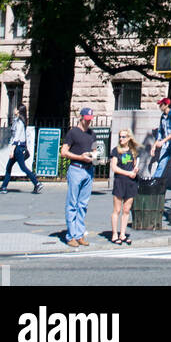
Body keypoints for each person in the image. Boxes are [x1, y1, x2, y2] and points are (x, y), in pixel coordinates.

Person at [61, 106, 98, 248]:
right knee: (73, 203)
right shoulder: (72, 133)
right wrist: (80, 157)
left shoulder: (92, 134)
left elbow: (95, 150)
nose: (88, 122)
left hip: (89, 170)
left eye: (90, 120)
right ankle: (71, 235)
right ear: (81, 118)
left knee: (83, 204)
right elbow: (64, 152)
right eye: (87, 120)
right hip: (76, 169)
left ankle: (79, 233)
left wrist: (95, 158)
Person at [0, 104, 43, 194]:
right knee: (9, 167)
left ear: (19, 111)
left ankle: (37, 183)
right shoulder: (17, 121)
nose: (14, 110)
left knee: (22, 167)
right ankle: (4, 187)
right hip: (18, 148)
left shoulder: (20, 122)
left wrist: (12, 150)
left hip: (18, 148)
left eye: (16, 109)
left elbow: (16, 137)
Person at [109, 129, 139, 244]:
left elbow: (135, 165)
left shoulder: (133, 151)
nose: (121, 139)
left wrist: (136, 170)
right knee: (117, 209)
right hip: (120, 181)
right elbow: (114, 167)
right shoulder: (116, 151)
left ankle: (122, 234)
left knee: (126, 210)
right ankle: (114, 234)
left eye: (124, 137)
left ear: (129, 138)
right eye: (120, 137)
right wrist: (128, 173)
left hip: (131, 183)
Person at [150, 96, 171, 190]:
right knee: (161, 164)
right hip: (166, 145)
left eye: (161, 105)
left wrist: (163, 141)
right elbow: (160, 132)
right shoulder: (162, 117)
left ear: (166, 105)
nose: (160, 106)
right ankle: (154, 183)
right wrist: (154, 146)